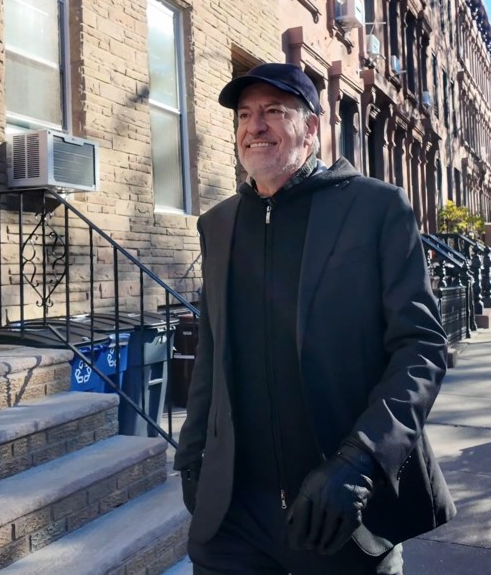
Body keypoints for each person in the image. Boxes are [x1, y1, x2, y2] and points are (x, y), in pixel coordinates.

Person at [173, 62, 455, 574]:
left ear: (312, 128)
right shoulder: (218, 225)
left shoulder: (375, 208)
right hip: (232, 517)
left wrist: (360, 461)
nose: (255, 126)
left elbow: (421, 348)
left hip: (337, 508)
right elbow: (212, 353)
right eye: (244, 114)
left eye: (275, 112)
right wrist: (192, 459)